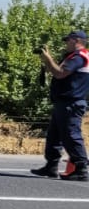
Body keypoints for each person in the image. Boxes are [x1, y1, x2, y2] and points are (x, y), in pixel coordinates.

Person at [32, 29, 89, 180]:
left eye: (67, 40)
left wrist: (48, 58)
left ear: (76, 41)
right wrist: (47, 62)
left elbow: (60, 73)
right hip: (64, 102)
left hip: (71, 103)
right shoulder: (74, 56)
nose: (65, 44)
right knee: (54, 135)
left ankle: (81, 168)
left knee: (71, 135)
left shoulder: (79, 57)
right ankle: (51, 166)